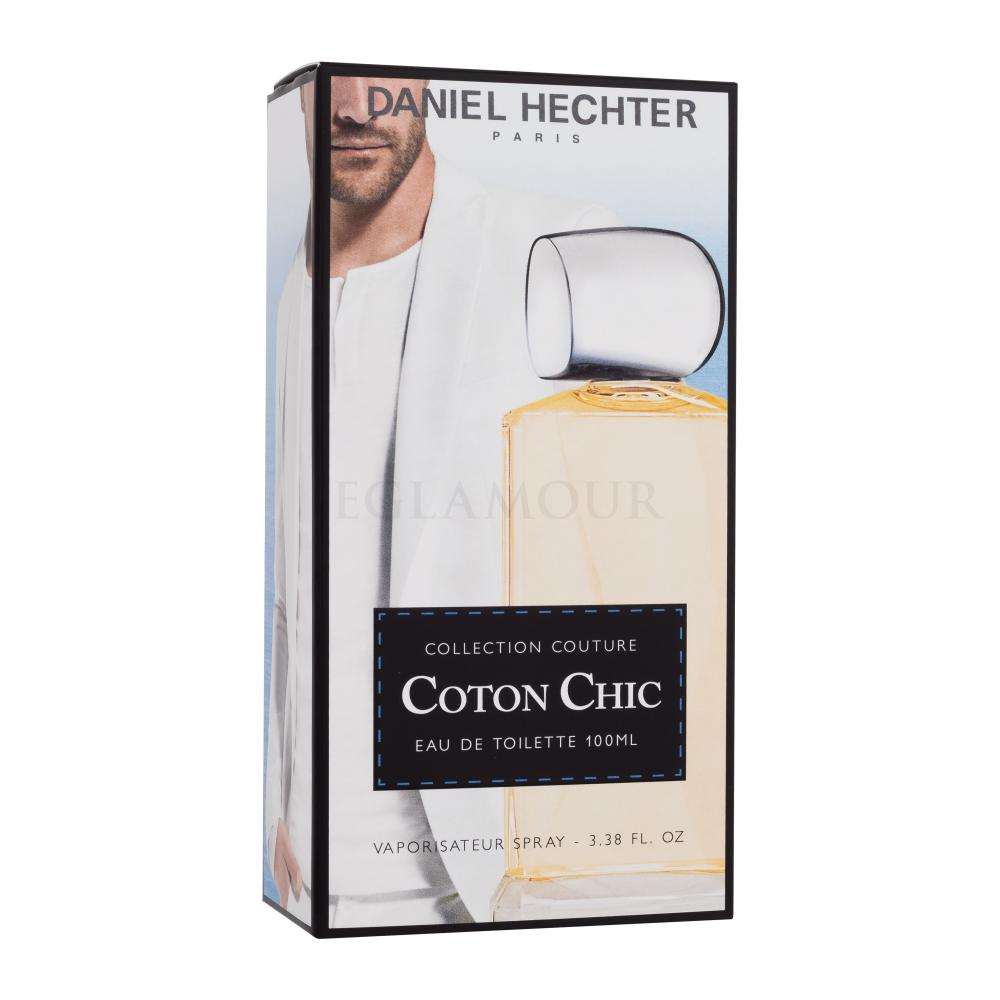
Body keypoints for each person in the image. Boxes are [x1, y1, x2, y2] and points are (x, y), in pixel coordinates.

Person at [266, 75, 617, 929]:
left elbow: (637, 562)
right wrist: (282, 794)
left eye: (381, 75)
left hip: (493, 872)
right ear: (299, 98)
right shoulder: (296, 279)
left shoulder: (559, 246)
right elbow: (298, 574)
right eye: (331, 82)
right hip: (316, 866)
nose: (356, 106)